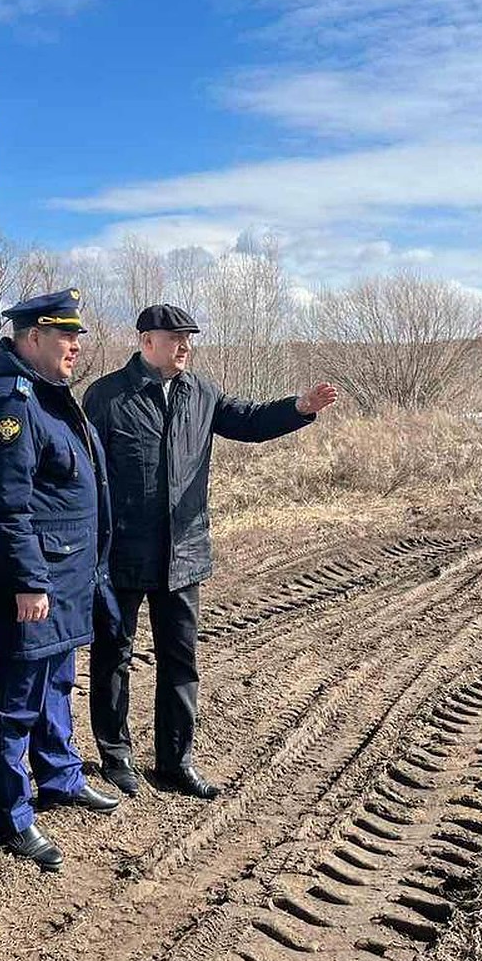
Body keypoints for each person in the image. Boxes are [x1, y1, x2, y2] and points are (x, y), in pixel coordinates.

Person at [85, 304, 338, 799]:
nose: (184, 346)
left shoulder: (201, 391)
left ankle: (176, 761)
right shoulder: (108, 396)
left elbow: (247, 421)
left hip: (183, 553)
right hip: (122, 554)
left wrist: (299, 408)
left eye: (189, 338)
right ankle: (116, 758)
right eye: (174, 337)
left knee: (181, 662)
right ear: (146, 342)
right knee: (113, 657)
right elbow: (85, 470)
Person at [0, 288, 121, 869]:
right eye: (65, 336)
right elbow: (5, 506)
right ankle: (11, 815)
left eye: (77, 337)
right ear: (32, 338)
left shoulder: (50, 394)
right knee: (15, 703)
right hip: (32, 584)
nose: (75, 347)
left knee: (57, 684)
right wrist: (29, 582)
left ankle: (60, 777)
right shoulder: (12, 403)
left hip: (64, 575)